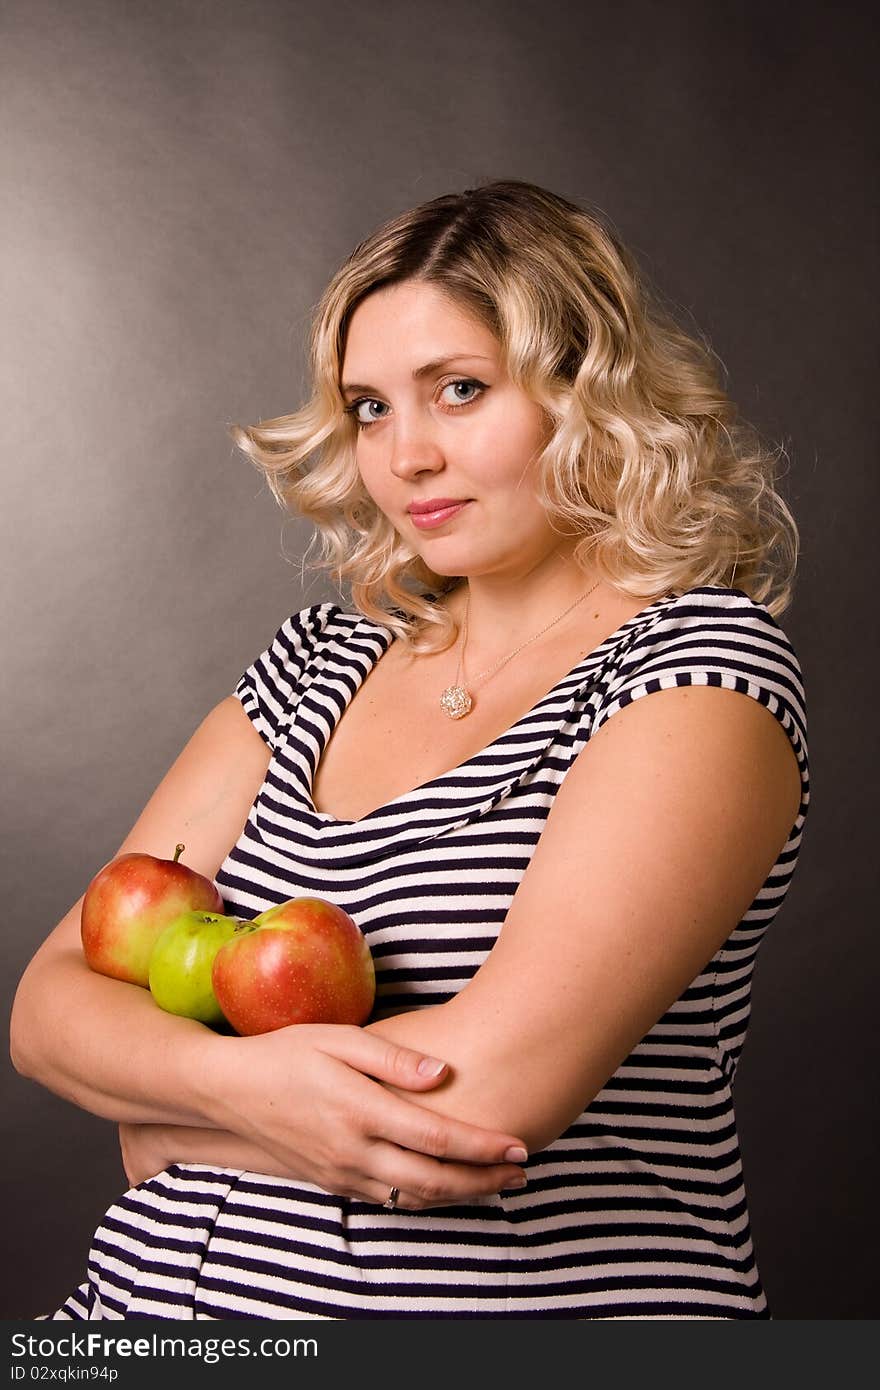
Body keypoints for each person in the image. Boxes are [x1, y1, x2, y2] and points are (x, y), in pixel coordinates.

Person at [10, 178, 810, 1320]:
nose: (406, 456)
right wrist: (234, 1086)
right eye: (371, 407)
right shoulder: (314, 663)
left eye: (461, 391)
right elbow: (50, 1005)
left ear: (587, 392)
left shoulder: (693, 672)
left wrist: (164, 1123)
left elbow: (482, 1100)